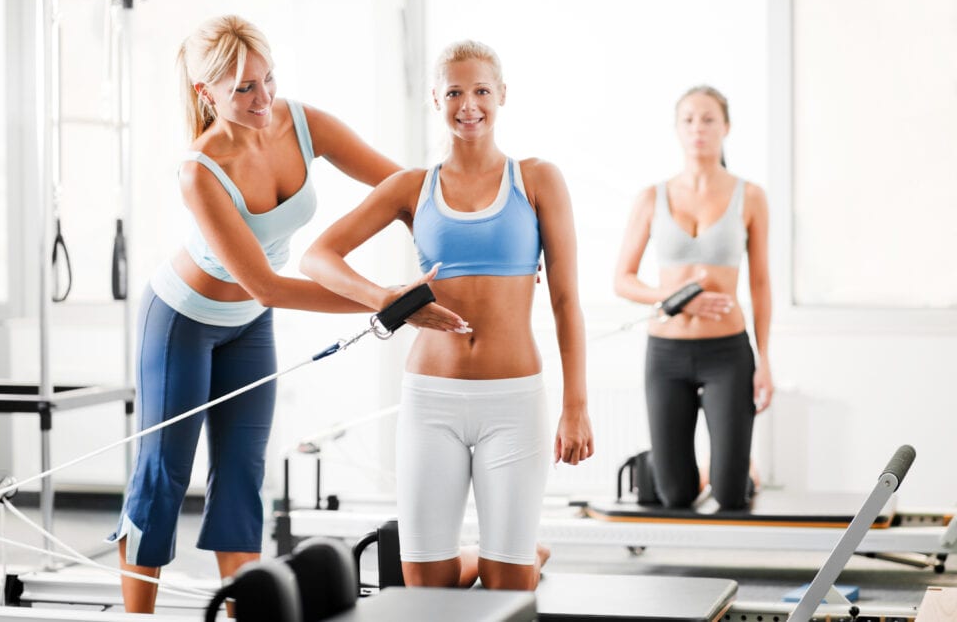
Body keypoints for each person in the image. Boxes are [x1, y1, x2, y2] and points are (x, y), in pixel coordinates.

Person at [108, 15, 401, 614]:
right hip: (182, 323)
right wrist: (379, 298)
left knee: (242, 475)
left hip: (247, 325)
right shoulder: (199, 169)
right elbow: (268, 285)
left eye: (268, 79)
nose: (263, 98)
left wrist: (464, 225)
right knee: (164, 477)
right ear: (205, 93)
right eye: (243, 88)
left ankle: (245, 612)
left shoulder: (301, 121)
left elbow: (399, 184)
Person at [301, 40, 593, 591]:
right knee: (425, 584)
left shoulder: (536, 179)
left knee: (510, 588)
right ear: (435, 98)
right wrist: (381, 298)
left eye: (481, 90)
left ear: (502, 95)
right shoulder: (413, 186)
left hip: (514, 399)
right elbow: (317, 256)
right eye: (455, 92)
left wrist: (575, 406)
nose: (469, 104)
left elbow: (565, 302)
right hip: (430, 399)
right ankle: (508, 555)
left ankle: (520, 557)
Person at [613, 85, 773, 511]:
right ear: (676, 129)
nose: (698, 128)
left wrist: (766, 359)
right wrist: (675, 298)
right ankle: (705, 470)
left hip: (728, 353)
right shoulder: (652, 196)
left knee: (730, 494)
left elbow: (760, 284)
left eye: (708, 119)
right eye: (688, 119)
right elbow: (623, 280)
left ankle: (739, 470)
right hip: (666, 355)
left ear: (726, 127)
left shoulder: (751, 195)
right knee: (676, 494)